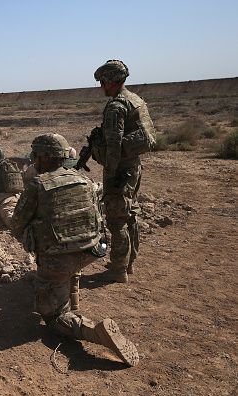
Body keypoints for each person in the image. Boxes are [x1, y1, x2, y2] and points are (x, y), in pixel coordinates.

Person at [11, 134, 139, 366]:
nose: (34, 159)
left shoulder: (38, 185)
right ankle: (73, 300)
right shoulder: (83, 180)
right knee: (70, 259)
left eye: (36, 154)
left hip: (57, 261)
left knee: (53, 316)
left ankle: (94, 331)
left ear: (45, 157)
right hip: (89, 252)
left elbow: (17, 223)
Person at [93, 60, 156, 282]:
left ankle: (118, 268)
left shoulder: (116, 106)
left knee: (116, 218)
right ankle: (129, 263)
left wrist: (109, 174)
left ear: (111, 81)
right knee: (130, 214)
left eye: (103, 82)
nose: (101, 86)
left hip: (119, 170)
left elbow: (113, 146)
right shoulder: (135, 100)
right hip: (133, 166)